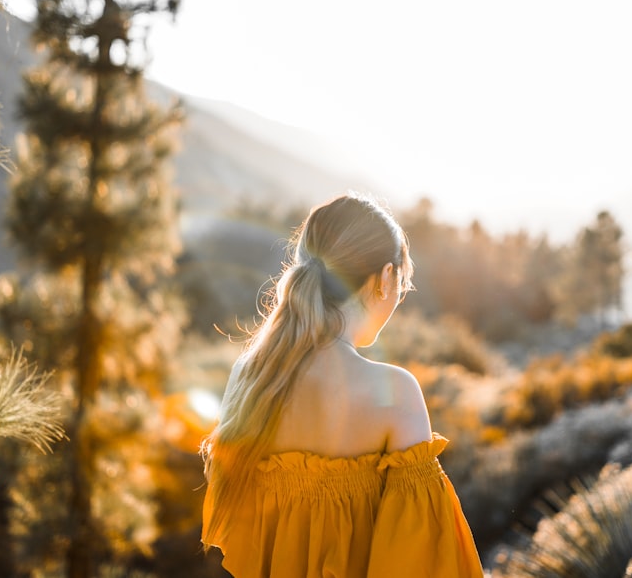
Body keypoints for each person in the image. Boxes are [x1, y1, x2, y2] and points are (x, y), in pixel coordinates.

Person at [200, 193, 484, 578]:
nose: (398, 297)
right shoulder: (394, 392)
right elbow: (425, 560)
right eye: (401, 283)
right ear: (385, 278)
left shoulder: (250, 378)